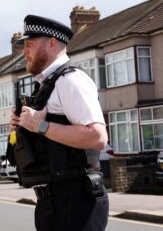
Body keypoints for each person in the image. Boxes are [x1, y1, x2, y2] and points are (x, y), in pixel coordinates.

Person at [10, 14, 109, 231]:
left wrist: (41, 126)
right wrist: (23, 128)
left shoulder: (71, 80)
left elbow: (98, 137)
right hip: (52, 202)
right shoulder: (47, 84)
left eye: (29, 44)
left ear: (52, 43)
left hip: (77, 202)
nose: (24, 50)